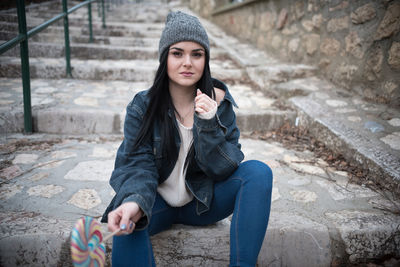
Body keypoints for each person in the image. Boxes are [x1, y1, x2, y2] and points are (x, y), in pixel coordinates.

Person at [101, 10, 273, 267]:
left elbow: (223, 168)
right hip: (155, 203)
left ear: (206, 60)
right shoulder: (142, 106)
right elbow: (137, 165)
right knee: (128, 220)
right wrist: (135, 203)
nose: (187, 63)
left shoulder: (220, 106)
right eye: (177, 53)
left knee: (259, 173)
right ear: (164, 58)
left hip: (203, 204)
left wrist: (208, 123)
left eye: (197, 54)